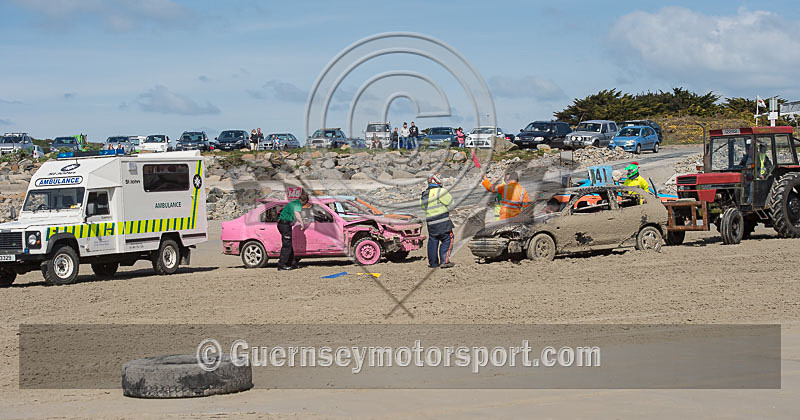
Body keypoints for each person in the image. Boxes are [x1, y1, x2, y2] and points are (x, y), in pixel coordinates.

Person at [420, 173, 455, 269]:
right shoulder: (441, 191)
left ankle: (433, 263)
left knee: (433, 240)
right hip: (442, 219)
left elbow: (423, 207)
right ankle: (445, 261)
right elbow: (451, 203)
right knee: (448, 238)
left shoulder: (425, 194)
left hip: (430, 221)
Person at [277, 191, 309, 270]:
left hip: (285, 224)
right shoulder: (298, 204)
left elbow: (293, 215)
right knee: (286, 245)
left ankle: (292, 263)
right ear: (304, 201)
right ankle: (282, 265)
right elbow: (296, 213)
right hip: (284, 225)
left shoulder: (294, 202)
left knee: (289, 245)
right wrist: (301, 223)